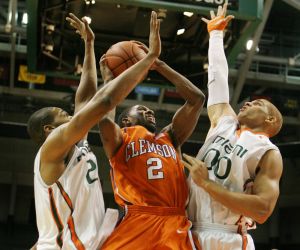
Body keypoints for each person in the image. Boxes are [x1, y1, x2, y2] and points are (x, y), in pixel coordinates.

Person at [27, 11, 161, 250]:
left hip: (84, 243)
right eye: (63, 115)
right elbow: (102, 103)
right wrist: (146, 60)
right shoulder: (53, 147)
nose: (71, 115)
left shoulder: (75, 143)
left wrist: (89, 45)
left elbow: (87, 97)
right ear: (49, 129)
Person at [182, 2, 283, 250]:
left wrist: (207, 184)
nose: (247, 103)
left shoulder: (268, 153)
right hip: (187, 230)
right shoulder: (223, 122)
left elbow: (262, 210)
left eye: (257, 103)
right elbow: (217, 80)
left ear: (270, 120)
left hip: (227, 237)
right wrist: (216, 35)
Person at [98, 26, 206, 250]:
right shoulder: (120, 139)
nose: (150, 112)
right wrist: (108, 79)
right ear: (126, 121)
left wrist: (158, 64)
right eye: (141, 110)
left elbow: (196, 99)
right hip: (139, 218)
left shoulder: (170, 137)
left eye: (151, 111)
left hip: (175, 221)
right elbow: (104, 118)